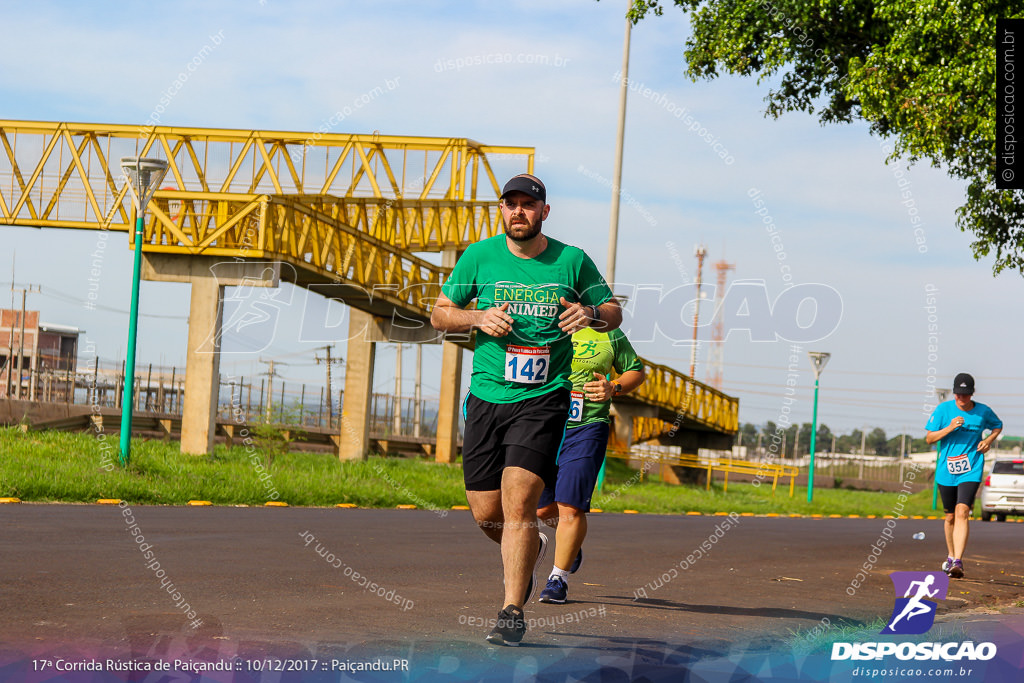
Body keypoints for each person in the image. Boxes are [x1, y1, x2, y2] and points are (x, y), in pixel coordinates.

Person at [430, 173, 622, 646]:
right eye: (510, 203)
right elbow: (439, 313)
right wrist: (476, 316)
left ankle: (511, 611)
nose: (518, 211)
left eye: (528, 204)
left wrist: (592, 315)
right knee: (487, 513)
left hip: (544, 398)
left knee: (519, 500)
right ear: (501, 209)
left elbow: (613, 310)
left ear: (544, 212)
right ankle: (532, 548)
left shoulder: (571, 261)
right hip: (487, 396)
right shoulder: (479, 256)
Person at [536, 327, 645, 604]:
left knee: (570, 506)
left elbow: (635, 370)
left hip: (587, 426)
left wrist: (614, 386)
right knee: (542, 508)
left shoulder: (608, 332)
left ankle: (558, 578)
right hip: (543, 423)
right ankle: (570, 546)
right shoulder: (543, 319)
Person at [925, 373, 1002, 579]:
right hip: (947, 470)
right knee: (950, 516)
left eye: (966, 395)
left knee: (962, 511)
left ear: (972, 393)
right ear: (954, 393)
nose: (962, 398)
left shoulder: (983, 411)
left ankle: (958, 561)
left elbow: (997, 425)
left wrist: (989, 440)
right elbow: (929, 438)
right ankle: (950, 557)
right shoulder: (943, 410)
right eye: (958, 394)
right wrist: (949, 427)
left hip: (971, 468)